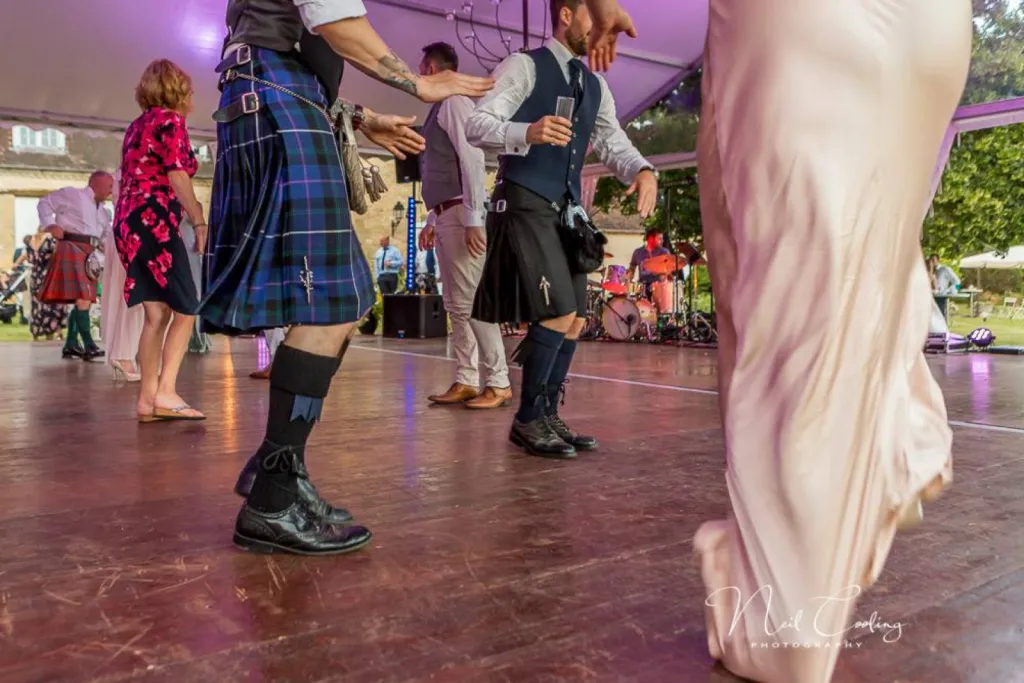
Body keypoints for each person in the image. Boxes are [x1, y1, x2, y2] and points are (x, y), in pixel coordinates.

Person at [690, 1, 971, 681]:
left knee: (788, 310)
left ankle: (778, 615)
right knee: (857, 269)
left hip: (801, 26)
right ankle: (893, 437)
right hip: (932, 30)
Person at [199, 0, 494, 556]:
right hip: (278, 102)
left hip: (275, 95)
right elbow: (331, 17)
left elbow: (292, 44)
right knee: (331, 304)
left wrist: (358, 117)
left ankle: (279, 471)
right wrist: (417, 84)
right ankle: (272, 497)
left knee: (340, 302)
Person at [466, 0, 657, 458]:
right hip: (524, 199)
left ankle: (547, 413)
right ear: (567, 15)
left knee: (574, 318)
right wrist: (525, 132)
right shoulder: (524, 65)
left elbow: (613, 142)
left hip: (565, 210)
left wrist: (643, 169)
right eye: (594, 12)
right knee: (554, 311)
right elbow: (477, 124)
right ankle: (528, 419)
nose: (603, 23)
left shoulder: (595, 85)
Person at [416, 41, 512, 409]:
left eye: (422, 68)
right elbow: (444, 168)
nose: (419, 75)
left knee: (472, 300)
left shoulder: (454, 101)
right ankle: (467, 378)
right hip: (447, 213)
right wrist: (432, 217)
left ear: (431, 69)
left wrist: (473, 219)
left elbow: (472, 159)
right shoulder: (441, 107)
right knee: (457, 304)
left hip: (461, 214)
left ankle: (499, 382)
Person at [114, 59, 208, 422]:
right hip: (154, 220)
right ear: (178, 90)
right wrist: (198, 220)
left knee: (156, 313)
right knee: (186, 309)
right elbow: (177, 174)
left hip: (128, 221)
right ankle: (166, 391)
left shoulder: (136, 126)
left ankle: (147, 400)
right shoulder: (171, 121)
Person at [37, 170, 114, 361]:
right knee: (83, 298)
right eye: (109, 186)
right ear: (96, 184)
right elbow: (44, 202)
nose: (111, 191)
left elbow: (104, 234)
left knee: (84, 297)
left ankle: (71, 344)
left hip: (90, 252)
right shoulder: (73, 194)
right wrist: (50, 224)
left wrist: (108, 249)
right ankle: (88, 344)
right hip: (71, 246)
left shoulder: (103, 212)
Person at [101, 170, 144, 382]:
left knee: (132, 296)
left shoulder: (123, 173)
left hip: (125, 231)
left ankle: (126, 353)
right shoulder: (134, 172)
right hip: (135, 233)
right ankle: (124, 354)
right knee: (136, 296)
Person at [24, 232, 70, 340]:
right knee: (53, 306)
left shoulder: (30, 242)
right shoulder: (49, 240)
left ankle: (36, 333)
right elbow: (60, 254)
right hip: (48, 277)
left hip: (35, 277)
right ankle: (53, 332)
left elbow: (29, 258)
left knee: (37, 306)